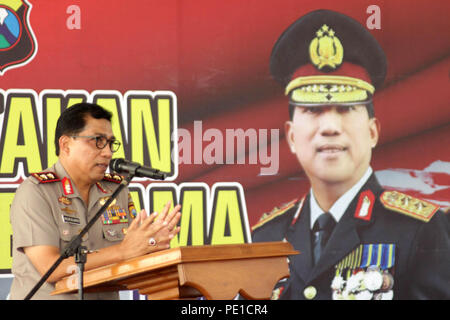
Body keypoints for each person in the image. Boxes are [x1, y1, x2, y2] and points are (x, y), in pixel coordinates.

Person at [252, 10, 449, 300]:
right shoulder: (266, 237)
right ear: (292, 136)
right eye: (313, 110)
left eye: (345, 109)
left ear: (373, 131)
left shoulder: (419, 231)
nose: (330, 127)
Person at [9, 102, 181, 300]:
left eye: (110, 143)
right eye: (97, 141)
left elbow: (132, 257)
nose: (107, 152)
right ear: (66, 145)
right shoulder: (36, 191)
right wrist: (123, 251)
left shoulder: (116, 191)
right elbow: (51, 268)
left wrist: (151, 247)